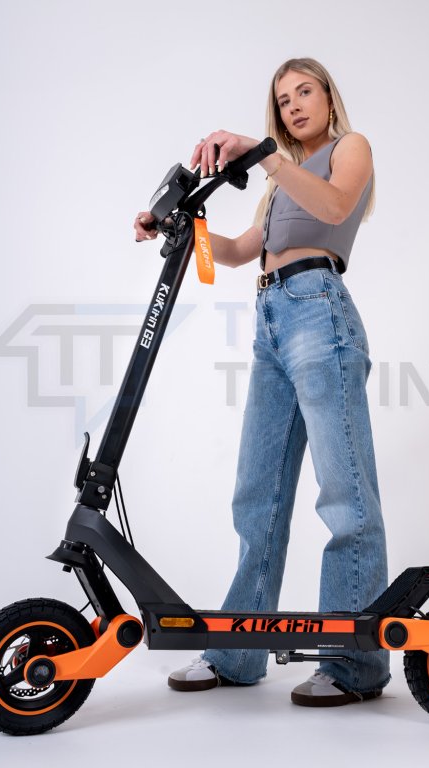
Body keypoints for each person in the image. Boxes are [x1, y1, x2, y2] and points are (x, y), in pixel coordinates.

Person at [133, 57, 388, 707]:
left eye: (305, 92)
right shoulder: (280, 183)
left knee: (345, 497)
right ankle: (238, 654)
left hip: (319, 312)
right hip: (270, 320)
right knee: (258, 498)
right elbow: (241, 251)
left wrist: (265, 154)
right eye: (283, 99)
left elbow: (335, 204)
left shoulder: (347, 149)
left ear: (329, 97)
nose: (294, 105)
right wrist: (180, 228)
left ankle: (354, 665)